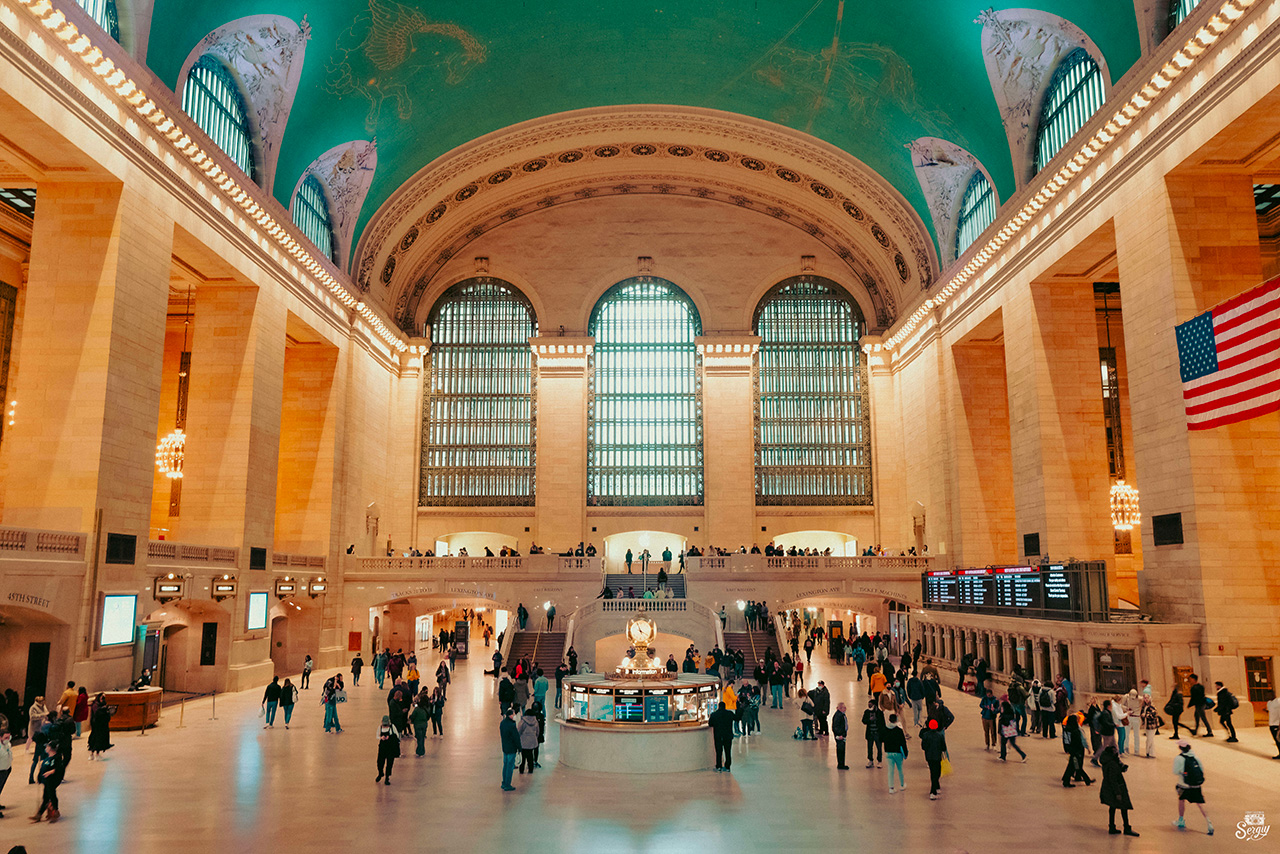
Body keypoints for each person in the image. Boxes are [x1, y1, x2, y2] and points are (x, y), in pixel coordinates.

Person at [1172, 740, 1213, 834]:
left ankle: (1181, 820)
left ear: (1180, 748)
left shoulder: (1179, 758)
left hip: (1184, 784)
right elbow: (1201, 769)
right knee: (1200, 803)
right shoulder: (1195, 757)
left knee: (1181, 800)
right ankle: (1209, 823)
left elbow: (1175, 771)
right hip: (1196, 785)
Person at [1098, 744, 1139, 836]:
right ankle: (1126, 827)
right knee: (1124, 807)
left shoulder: (1108, 761)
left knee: (1112, 807)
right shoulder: (1112, 764)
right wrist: (1118, 793)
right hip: (1116, 788)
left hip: (1108, 788)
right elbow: (1113, 779)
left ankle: (1112, 826)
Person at [30, 741, 64, 822]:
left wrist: (52, 771)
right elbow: (42, 768)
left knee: (51, 795)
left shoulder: (57, 758)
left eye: (47, 747)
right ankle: (40, 813)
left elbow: (60, 768)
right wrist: (39, 777)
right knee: (46, 796)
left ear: (51, 749)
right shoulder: (46, 757)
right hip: (46, 781)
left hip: (52, 780)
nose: (46, 748)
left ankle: (55, 810)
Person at [1061, 712, 1093, 786]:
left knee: (1073, 765)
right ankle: (1086, 780)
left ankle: (1066, 779)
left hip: (1072, 750)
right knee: (1076, 766)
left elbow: (1066, 740)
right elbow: (1080, 741)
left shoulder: (1067, 729)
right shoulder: (1076, 731)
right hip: (1077, 751)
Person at [920, 718, 947, 800]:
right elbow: (943, 748)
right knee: (937, 772)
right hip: (937, 757)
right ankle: (933, 791)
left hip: (929, 757)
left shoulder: (925, 735)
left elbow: (923, 747)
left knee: (932, 772)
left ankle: (936, 786)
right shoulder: (940, 736)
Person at [709, 701, 735, 772]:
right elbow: (736, 718)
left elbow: (710, 724)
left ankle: (719, 766)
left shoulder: (714, 714)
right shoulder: (729, 714)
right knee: (728, 751)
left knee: (719, 751)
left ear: (718, 706)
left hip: (718, 736)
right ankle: (727, 766)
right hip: (728, 735)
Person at [87, 693, 113, 758]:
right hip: (97, 725)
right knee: (95, 739)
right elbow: (96, 714)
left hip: (102, 725)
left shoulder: (103, 705)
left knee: (100, 740)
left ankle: (97, 753)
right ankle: (92, 753)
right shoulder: (96, 705)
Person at [499, 709, 519, 791]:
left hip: (505, 747)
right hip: (511, 748)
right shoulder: (512, 725)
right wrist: (519, 747)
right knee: (510, 766)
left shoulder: (502, 723)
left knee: (505, 765)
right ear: (510, 715)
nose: (514, 716)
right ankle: (507, 784)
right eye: (513, 714)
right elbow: (516, 737)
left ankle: (504, 783)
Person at [375, 715, 399, 784]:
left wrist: (389, 737)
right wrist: (381, 737)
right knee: (380, 761)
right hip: (382, 747)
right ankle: (380, 773)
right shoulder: (380, 727)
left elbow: (396, 735)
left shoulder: (392, 727)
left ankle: (387, 777)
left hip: (390, 747)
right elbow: (377, 735)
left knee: (389, 763)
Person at [517, 706, 540, 774]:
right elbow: (538, 732)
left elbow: (519, 731)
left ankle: (521, 770)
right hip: (532, 742)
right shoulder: (535, 722)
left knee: (523, 757)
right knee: (530, 755)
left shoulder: (523, 722)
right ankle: (530, 769)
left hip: (524, 742)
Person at [862, 696, 883, 765]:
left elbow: (882, 723)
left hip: (877, 733)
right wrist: (869, 720)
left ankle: (879, 760)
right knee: (869, 747)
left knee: (879, 748)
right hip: (870, 733)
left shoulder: (879, 713)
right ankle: (870, 760)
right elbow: (863, 721)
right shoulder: (867, 712)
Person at [832, 701, 849, 769]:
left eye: (845, 708)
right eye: (842, 708)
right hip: (840, 736)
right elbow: (835, 726)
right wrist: (840, 734)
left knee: (842, 749)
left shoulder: (841, 715)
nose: (844, 709)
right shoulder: (838, 716)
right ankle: (841, 764)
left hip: (842, 735)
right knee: (840, 749)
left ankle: (842, 763)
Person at [1268, 693, 1280, 759]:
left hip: (1277, 724)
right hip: (1271, 724)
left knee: (1279, 740)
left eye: (1268, 695)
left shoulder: (1278, 701)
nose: (1266, 696)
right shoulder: (1269, 703)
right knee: (1276, 740)